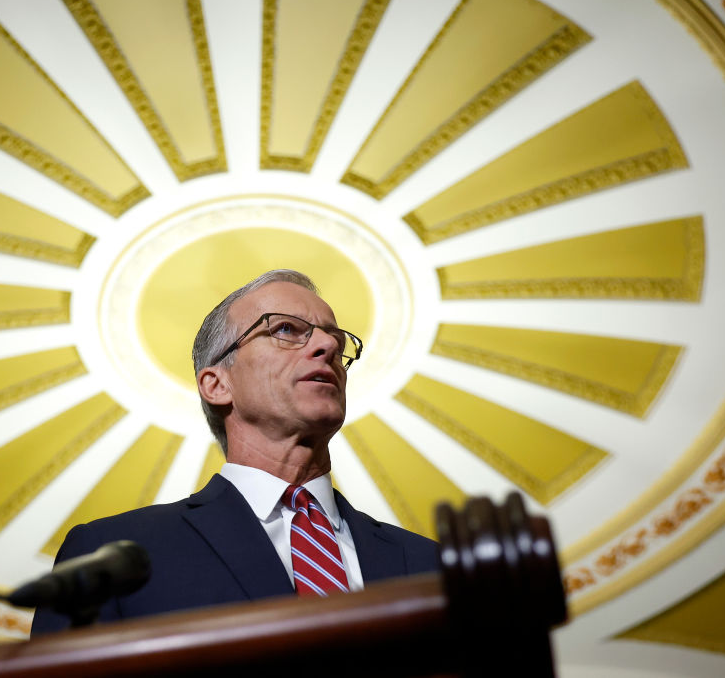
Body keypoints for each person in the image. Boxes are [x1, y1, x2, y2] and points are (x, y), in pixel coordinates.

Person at [31, 270, 439, 635]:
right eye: (286, 329)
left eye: (335, 338)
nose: (326, 345)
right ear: (216, 384)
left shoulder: (431, 567)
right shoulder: (112, 554)